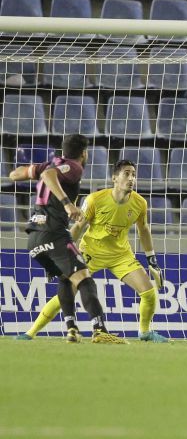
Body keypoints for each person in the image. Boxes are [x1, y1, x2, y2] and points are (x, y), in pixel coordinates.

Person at [16, 160, 168, 343]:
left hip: (120, 255)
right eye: (127, 174)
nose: (131, 178)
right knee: (65, 295)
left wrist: (151, 260)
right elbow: (78, 228)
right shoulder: (95, 199)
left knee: (149, 293)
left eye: (134, 174)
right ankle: (30, 333)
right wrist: (63, 255)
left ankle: (144, 332)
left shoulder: (140, 203)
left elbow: (144, 230)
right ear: (114, 178)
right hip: (90, 252)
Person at [8, 135, 125, 344]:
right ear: (84, 153)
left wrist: (36, 170)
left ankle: (72, 329)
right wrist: (67, 203)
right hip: (54, 233)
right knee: (85, 280)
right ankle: (100, 330)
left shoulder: (50, 164)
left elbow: (14, 175)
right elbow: (49, 174)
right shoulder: (74, 167)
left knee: (66, 278)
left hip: (34, 238)